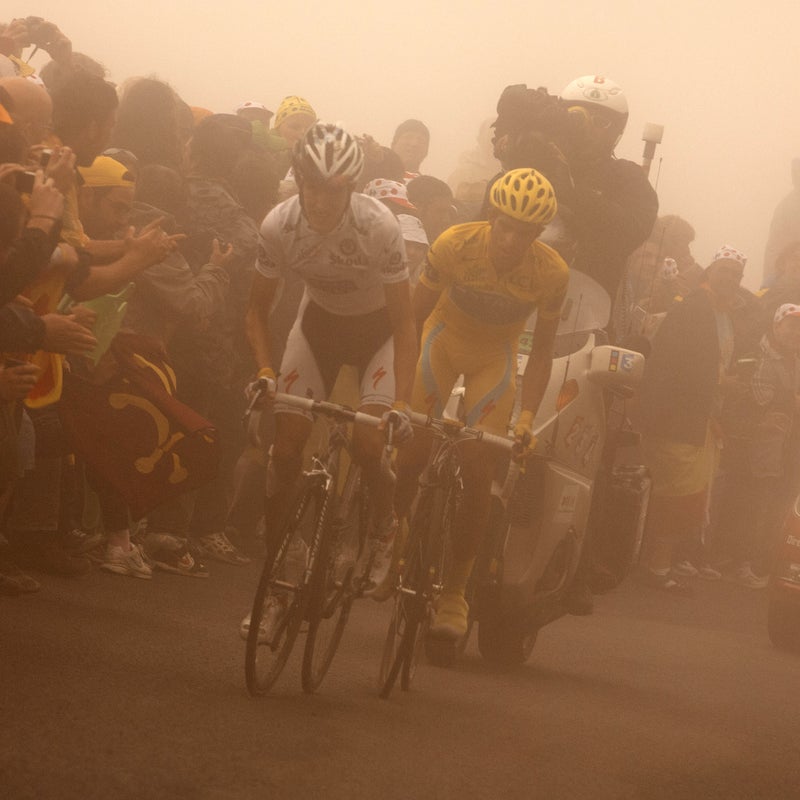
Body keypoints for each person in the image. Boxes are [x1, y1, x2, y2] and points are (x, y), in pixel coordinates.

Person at [245, 122, 417, 618]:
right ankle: (280, 572)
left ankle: (384, 525)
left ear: (353, 187)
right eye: (311, 186)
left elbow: (405, 325)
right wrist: (263, 368)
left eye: (334, 189)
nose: (319, 201)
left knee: (367, 444)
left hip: (377, 337)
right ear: (297, 180)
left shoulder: (380, 227)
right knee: (286, 450)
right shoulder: (279, 225)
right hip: (316, 329)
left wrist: (401, 402)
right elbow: (256, 310)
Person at [394, 168, 568, 637]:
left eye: (524, 231)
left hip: (495, 358)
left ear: (538, 233)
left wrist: (528, 416)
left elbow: (544, 351)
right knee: (412, 448)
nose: (511, 239)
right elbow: (412, 318)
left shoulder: (552, 273)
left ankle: (454, 591)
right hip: (442, 340)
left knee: (478, 469)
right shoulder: (454, 243)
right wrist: (393, 390)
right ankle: (389, 537)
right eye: (505, 225)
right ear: (492, 215)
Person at [638, 246, 747, 593]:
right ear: (709, 271)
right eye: (724, 270)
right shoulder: (694, 308)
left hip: (699, 418)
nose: (731, 278)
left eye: (737, 274)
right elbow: (675, 363)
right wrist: (720, 382)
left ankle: (662, 561)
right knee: (677, 493)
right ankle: (655, 566)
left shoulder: (723, 313)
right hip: (676, 417)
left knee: (688, 493)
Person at [559, 75, 659, 332]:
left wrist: (572, 193)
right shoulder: (531, 161)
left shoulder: (627, 177)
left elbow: (630, 230)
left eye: (601, 122)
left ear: (616, 132)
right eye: (578, 116)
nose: (587, 127)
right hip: (513, 311)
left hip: (585, 319)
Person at [763, 160, 800, 288]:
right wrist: (768, 280)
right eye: (796, 174)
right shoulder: (785, 207)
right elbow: (773, 247)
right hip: (788, 276)